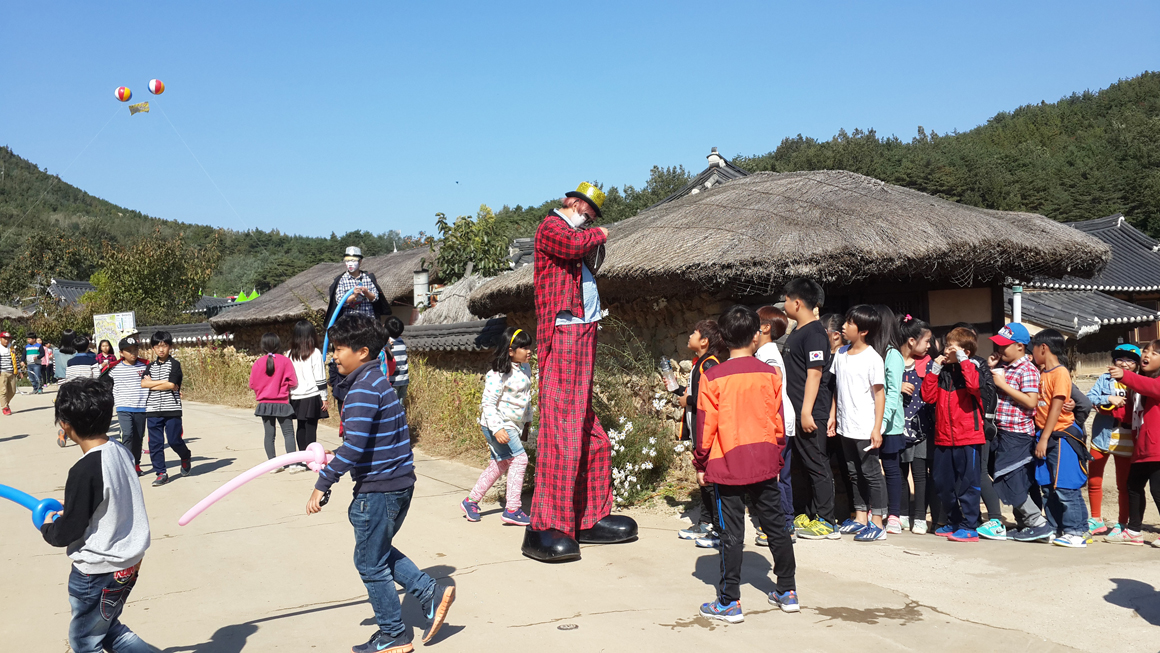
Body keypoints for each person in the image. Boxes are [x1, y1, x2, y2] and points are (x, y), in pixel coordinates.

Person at [306, 313, 455, 652]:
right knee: (377, 551)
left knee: (370, 563)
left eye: (338, 349)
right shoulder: (378, 381)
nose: (334, 356)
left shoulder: (361, 391)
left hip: (379, 489)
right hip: (398, 482)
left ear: (361, 351)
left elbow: (356, 447)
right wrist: (337, 454)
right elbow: (367, 441)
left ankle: (394, 634)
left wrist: (323, 481)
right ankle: (429, 592)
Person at [523, 182, 637, 563]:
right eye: (585, 208)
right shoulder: (551, 226)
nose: (588, 215)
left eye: (593, 213)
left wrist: (592, 238)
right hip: (564, 330)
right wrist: (598, 233)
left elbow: (584, 252)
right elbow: (574, 246)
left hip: (584, 329)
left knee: (590, 433)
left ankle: (588, 517)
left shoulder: (577, 232)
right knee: (562, 429)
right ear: (570, 201)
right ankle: (545, 523)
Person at [695, 305, 799, 622]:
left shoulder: (712, 377)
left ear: (723, 338)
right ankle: (788, 590)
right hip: (766, 460)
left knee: (731, 533)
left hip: (728, 463)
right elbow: (778, 421)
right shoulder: (770, 374)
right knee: (776, 526)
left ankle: (729, 599)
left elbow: (704, 429)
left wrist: (701, 464)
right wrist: (778, 452)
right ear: (755, 336)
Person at [40, 377, 155, 653]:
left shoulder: (84, 469)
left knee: (85, 641)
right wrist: (75, 506)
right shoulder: (120, 451)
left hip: (97, 571)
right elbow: (107, 500)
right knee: (109, 629)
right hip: (128, 563)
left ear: (65, 425)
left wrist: (48, 526)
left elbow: (68, 531)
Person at [782, 281, 840, 540]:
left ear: (797, 303)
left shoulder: (815, 333)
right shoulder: (797, 332)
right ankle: (809, 514)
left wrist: (806, 412)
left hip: (810, 412)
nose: (784, 305)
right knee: (803, 466)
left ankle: (827, 521)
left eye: (786, 300)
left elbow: (815, 374)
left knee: (817, 465)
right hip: (796, 412)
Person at [985, 323, 1052, 542]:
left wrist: (1003, 385)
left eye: (1005, 346)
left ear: (1020, 347)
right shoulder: (1006, 368)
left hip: (1018, 434)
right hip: (1003, 432)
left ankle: (1037, 522)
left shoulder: (1027, 370)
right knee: (1015, 478)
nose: (1000, 350)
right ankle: (1026, 525)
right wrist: (992, 369)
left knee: (1009, 478)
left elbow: (1031, 402)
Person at [463, 327, 534, 526]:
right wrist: (497, 429)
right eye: (524, 347)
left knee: (501, 463)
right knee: (519, 460)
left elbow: (525, 399)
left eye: (529, 346)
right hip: (498, 424)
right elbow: (488, 404)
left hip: (513, 425)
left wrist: (527, 420)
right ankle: (512, 509)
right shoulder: (497, 374)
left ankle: (471, 501)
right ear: (510, 351)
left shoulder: (525, 368)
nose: (529, 351)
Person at [922, 327, 987, 542]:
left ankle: (970, 525)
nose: (946, 350)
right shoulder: (943, 371)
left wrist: (962, 360)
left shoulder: (974, 366)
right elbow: (928, 397)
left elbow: (975, 386)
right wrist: (934, 370)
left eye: (952, 347)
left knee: (969, 483)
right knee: (942, 482)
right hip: (943, 436)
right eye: (947, 345)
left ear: (965, 352)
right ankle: (953, 520)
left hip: (968, 436)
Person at [1028, 328, 1089, 548]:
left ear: (1043, 348)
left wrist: (1044, 438)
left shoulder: (1060, 373)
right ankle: (1056, 527)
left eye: (1033, 348)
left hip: (1060, 435)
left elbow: (1055, 408)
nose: (1031, 353)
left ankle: (1076, 531)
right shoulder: (1042, 373)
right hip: (1045, 435)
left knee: (1065, 486)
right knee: (1047, 485)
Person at [831, 305, 888, 541]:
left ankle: (878, 522)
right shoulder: (841, 353)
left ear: (863, 330)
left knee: (871, 473)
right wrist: (834, 415)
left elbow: (879, 394)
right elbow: (837, 388)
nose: (844, 326)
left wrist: (876, 428)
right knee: (854, 473)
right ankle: (860, 517)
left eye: (850, 323)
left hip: (865, 426)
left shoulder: (872, 358)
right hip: (846, 425)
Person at [675, 319, 728, 546]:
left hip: (706, 431)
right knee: (703, 479)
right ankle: (706, 522)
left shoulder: (709, 365)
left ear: (704, 341)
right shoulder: (700, 363)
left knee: (710, 479)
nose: (690, 336)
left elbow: (712, 399)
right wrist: (679, 391)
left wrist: (688, 399)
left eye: (694, 333)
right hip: (698, 430)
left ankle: (717, 528)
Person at [1105, 340, 1160, 547]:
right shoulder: (1137, 385)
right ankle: (1134, 530)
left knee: (1158, 490)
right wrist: (1105, 404)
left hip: (1157, 447)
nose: (1147, 354)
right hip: (1141, 446)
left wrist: (1126, 376)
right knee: (1133, 487)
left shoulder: (1146, 382)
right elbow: (1128, 414)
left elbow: (1153, 387)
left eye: (1154, 353)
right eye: (1146, 350)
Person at [1084, 344, 1139, 537]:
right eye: (1120, 359)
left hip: (1127, 439)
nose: (1124, 364)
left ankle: (1122, 523)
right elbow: (1089, 398)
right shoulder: (1104, 379)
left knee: (1123, 484)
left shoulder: (1139, 382)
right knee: (1094, 479)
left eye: (1130, 360)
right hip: (1102, 435)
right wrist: (1108, 398)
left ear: (1137, 364)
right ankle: (1096, 519)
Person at [754, 305, 797, 544]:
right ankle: (786, 521)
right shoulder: (768, 351)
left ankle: (781, 525)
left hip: (776, 420)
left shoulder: (767, 352)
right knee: (783, 474)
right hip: (781, 419)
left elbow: (775, 379)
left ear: (765, 328)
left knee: (776, 476)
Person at [870, 306, 907, 535]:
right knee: (871, 469)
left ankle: (894, 514)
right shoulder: (869, 353)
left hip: (890, 424)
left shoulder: (892, 354)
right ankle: (876, 510)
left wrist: (883, 421)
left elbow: (893, 392)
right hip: (870, 421)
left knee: (892, 469)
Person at [141, 331, 192, 487]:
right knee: (155, 444)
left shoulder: (175, 365)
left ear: (169, 347)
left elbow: (172, 385)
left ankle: (185, 456)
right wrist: (164, 384)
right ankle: (161, 473)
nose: (161, 350)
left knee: (174, 440)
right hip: (153, 409)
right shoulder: (150, 366)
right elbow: (143, 384)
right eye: (157, 346)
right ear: (153, 348)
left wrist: (154, 383)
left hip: (172, 409)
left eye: (164, 346)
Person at [898, 315, 934, 534]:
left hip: (922, 426)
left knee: (920, 473)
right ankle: (902, 514)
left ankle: (920, 516)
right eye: (926, 341)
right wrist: (896, 385)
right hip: (898, 426)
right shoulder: (890, 361)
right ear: (912, 341)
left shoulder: (928, 363)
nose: (929, 346)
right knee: (900, 472)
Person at [249, 333, 299, 471]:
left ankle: (273, 465)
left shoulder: (258, 363)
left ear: (263, 346)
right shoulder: (285, 361)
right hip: (282, 403)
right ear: (278, 345)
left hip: (264, 404)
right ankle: (293, 465)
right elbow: (293, 382)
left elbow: (252, 384)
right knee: (288, 433)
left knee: (269, 435)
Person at [102, 337, 150, 477]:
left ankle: (136, 464)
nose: (133, 353)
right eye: (129, 351)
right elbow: (103, 385)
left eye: (135, 349)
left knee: (138, 436)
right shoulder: (114, 369)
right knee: (128, 435)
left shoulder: (145, 366)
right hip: (123, 407)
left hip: (141, 407)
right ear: (121, 353)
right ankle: (127, 464)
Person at [287, 321, 327, 461]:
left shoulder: (289, 354)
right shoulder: (315, 352)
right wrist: (324, 397)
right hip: (312, 395)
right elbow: (320, 377)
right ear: (311, 335)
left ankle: (303, 456)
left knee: (301, 426)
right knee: (311, 428)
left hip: (295, 395)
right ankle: (311, 457)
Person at [325, 246, 387, 323]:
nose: (350, 264)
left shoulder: (368, 278)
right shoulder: (341, 280)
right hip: (349, 324)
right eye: (347, 261)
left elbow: (375, 298)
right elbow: (339, 301)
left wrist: (366, 293)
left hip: (368, 321)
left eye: (353, 261)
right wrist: (354, 296)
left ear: (360, 261)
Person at [386, 316, 410, 401]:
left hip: (393, 380)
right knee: (400, 405)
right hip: (404, 379)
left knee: (392, 405)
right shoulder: (401, 341)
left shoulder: (387, 343)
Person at [0, 331, 20, 415]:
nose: (6, 341)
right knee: (3, 391)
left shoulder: (11, 348)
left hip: (11, 372)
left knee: (12, 391)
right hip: (2, 373)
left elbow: (16, 360)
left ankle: (5, 402)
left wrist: (19, 370)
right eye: (4, 339)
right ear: (0, 339)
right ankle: (4, 407)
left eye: (8, 339)